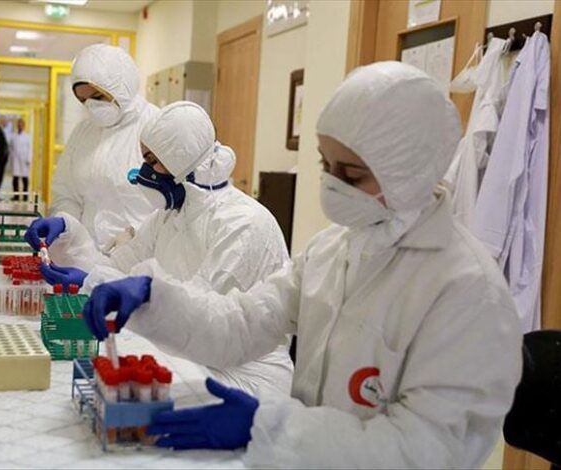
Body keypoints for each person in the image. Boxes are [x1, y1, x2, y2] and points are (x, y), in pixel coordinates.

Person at [81, 62, 523, 467]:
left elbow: (425, 450)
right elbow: (243, 323)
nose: (330, 185)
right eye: (324, 164)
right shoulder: (332, 250)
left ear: (409, 173)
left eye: (350, 174)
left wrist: (272, 429)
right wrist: (154, 301)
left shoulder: (466, 292)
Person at [26, 102, 294, 396]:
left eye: (154, 161)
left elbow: (207, 320)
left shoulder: (242, 224)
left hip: (245, 378)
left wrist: (127, 291)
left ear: (182, 162)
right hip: (186, 356)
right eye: (145, 159)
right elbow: (118, 267)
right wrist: (69, 236)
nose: (144, 172)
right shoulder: (170, 215)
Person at [51, 44, 159, 250]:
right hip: (86, 254)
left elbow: (173, 208)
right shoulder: (83, 133)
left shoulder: (156, 127)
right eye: (83, 100)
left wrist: (137, 240)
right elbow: (66, 193)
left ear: (122, 86)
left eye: (98, 97)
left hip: (143, 256)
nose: (92, 106)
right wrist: (65, 224)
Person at [10, 118, 32, 200]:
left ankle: (25, 196)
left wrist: (29, 159)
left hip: (24, 159)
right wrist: (12, 158)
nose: (20, 126)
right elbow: (11, 148)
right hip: (15, 159)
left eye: (21, 124)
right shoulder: (13, 136)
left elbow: (30, 149)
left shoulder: (27, 137)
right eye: (18, 124)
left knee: (25, 178)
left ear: (24, 126)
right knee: (15, 177)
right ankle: (16, 196)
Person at [0, 116, 10, 192]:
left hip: (2, 159)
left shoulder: (1, 130)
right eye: (5, 121)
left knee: (0, 177)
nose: (6, 123)